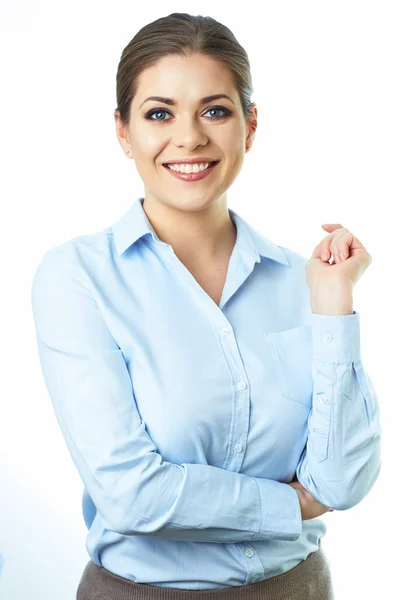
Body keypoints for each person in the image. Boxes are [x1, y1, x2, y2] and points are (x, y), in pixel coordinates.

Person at [30, 12, 382, 600]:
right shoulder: (77, 278)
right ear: (122, 131)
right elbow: (131, 494)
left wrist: (333, 307)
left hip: (300, 588)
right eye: (159, 113)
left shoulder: (306, 280)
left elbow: (343, 482)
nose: (190, 137)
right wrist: (289, 502)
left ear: (250, 125)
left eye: (215, 110)